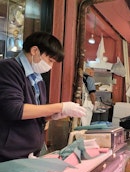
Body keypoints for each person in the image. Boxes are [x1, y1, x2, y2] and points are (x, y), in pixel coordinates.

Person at [0, 32, 86, 162]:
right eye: (50, 60)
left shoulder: (37, 78)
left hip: (29, 152)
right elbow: (15, 110)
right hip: (8, 154)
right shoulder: (8, 69)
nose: (50, 67)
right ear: (35, 50)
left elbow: (35, 112)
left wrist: (53, 115)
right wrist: (60, 106)